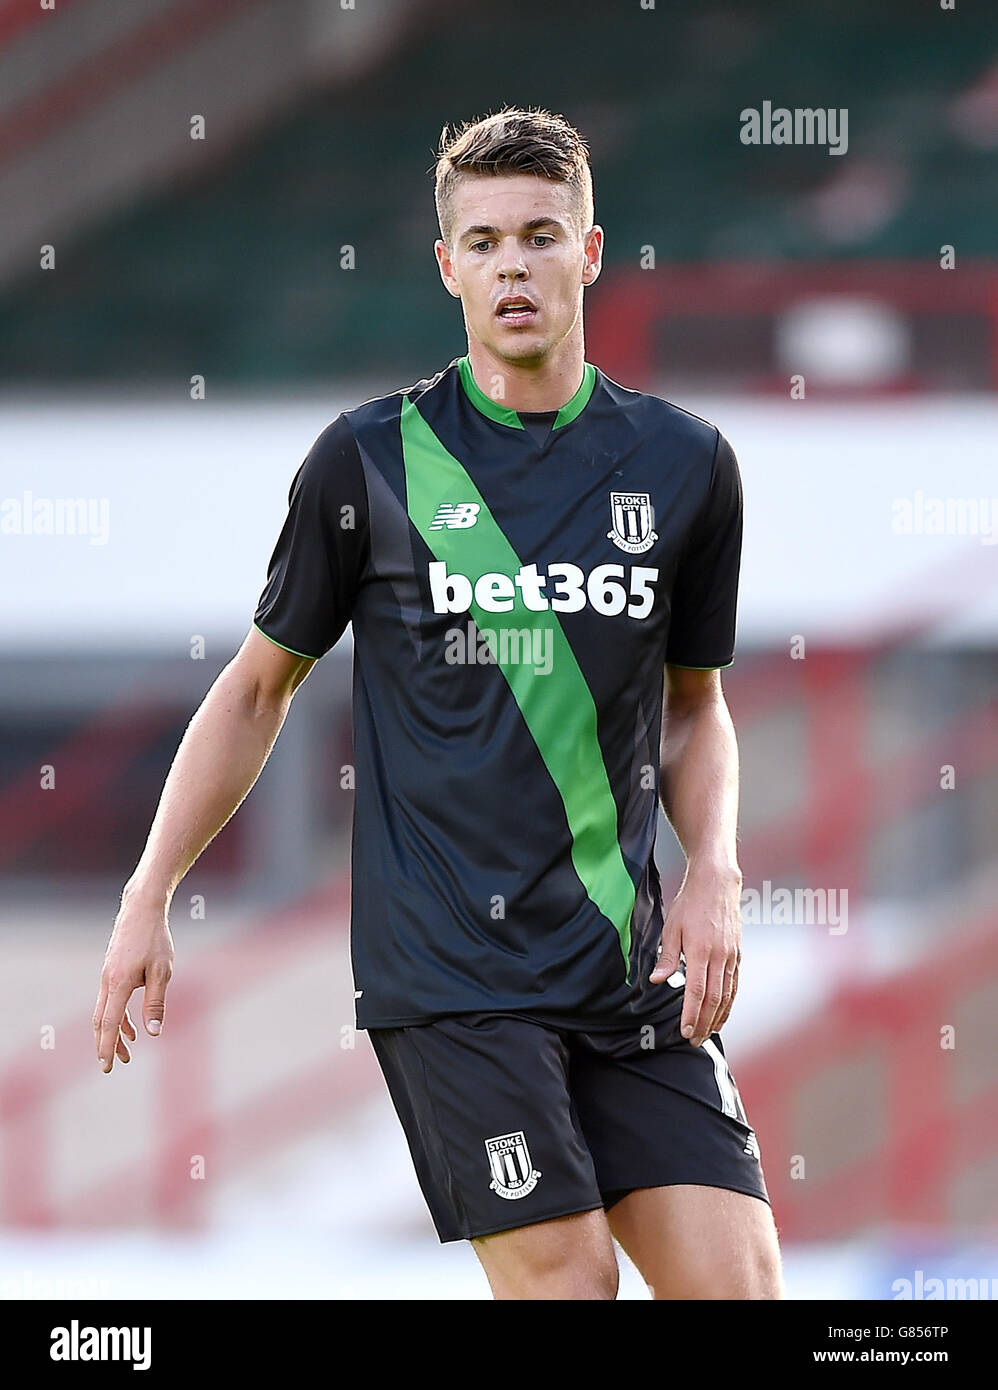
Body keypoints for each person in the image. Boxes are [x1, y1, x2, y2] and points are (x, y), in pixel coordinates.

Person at [95, 105, 783, 1301]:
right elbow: (257, 688)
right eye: (484, 242)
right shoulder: (367, 463)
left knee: (740, 1293)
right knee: (569, 1285)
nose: (512, 264)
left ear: (590, 249)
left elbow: (692, 706)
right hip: (453, 980)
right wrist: (150, 890)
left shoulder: (686, 465)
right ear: (447, 266)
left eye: (538, 235)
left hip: (625, 978)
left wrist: (714, 862)